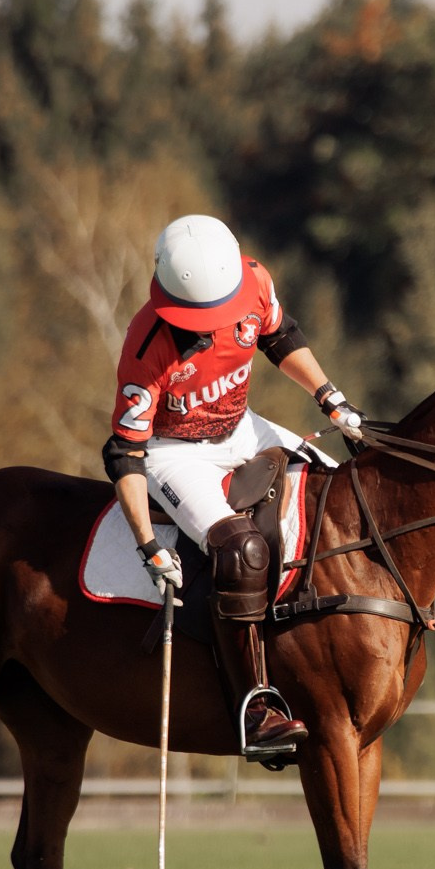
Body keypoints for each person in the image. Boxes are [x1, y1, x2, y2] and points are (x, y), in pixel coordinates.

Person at [102, 214, 366, 757]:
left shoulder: (254, 281)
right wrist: (148, 546)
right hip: (174, 453)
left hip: (240, 427)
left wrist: (330, 398)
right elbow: (125, 453)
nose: (211, 326)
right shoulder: (146, 346)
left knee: (342, 491)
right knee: (240, 551)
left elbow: (281, 337)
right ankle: (255, 707)